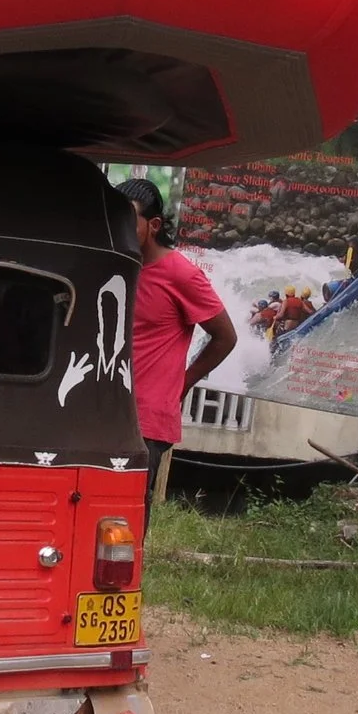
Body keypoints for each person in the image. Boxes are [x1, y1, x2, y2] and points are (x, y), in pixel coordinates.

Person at [116, 178, 236, 528]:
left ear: (153, 225)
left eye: (128, 221)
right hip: (104, 412)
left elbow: (225, 337)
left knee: (126, 519)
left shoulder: (180, 273)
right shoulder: (118, 264)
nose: (117, 229)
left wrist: (182, 383)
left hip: (147, 419)